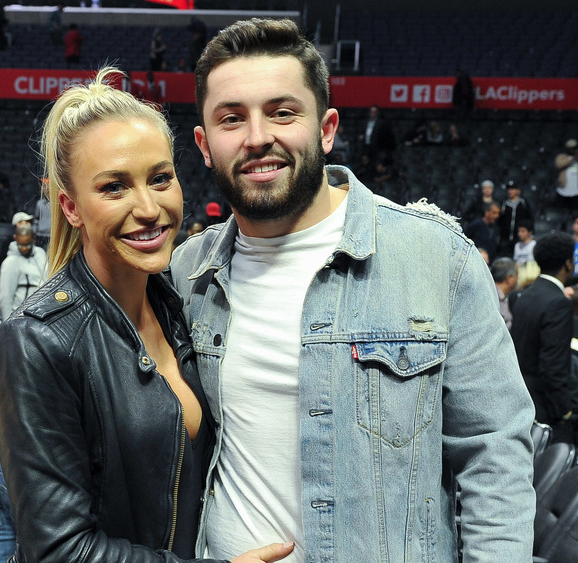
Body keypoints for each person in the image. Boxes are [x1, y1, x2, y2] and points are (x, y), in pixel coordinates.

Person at [172, 18, 535, 561]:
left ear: (326, 128)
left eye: (282, 112)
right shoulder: (187, 272)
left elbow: (495, 457)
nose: (256, 137)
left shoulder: (437, 258)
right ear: (204, 144)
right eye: (231, 119)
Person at [0, 67, 288, 563]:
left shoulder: (181, 304)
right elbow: (60, 550)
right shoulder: (35, 341)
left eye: (160, 178)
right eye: (114, 187)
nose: (148, 208)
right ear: (71, 207)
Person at [511, 232, 578, 446]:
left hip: (520, 400)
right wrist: (565, 410)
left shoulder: (525, 295)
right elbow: (553, 365)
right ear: (568, 263)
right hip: (545, 408)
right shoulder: (558, 303)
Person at [0, 225, 47, 317]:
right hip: (21, 316)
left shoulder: (40, 254)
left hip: (42, 313)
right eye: (20, 245)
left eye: (27, 244)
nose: (24, 248)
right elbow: (5, 298)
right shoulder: (10, 262)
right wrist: (8, 324)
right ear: (15, 239)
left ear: (33, 239)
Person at [555, 138, 578, 211]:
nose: (573, 150)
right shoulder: (562, 157)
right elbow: (559, 164)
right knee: (560, 211)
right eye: (571, 148)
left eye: (574, 148)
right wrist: (573, 159)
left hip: (577, 192)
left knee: (574, 213)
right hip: (563, 191)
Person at [491, 256, 518, 329]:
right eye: (517, 274)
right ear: (509, 278)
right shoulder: (492, 298)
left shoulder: (507, 297)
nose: (518, 278)